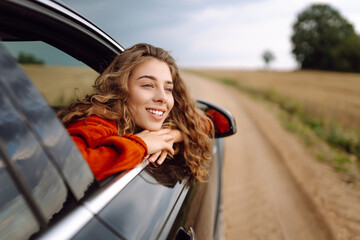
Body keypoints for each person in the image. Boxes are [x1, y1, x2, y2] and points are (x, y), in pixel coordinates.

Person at [58, 43, 213, 184]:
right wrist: (141, 144)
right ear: (121, 88)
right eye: (147, 85)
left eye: (168, 89)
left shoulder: (153, 117)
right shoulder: (97, 121)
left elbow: (201, 123)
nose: (162, 98)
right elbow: (68, 166)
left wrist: (174, 134)